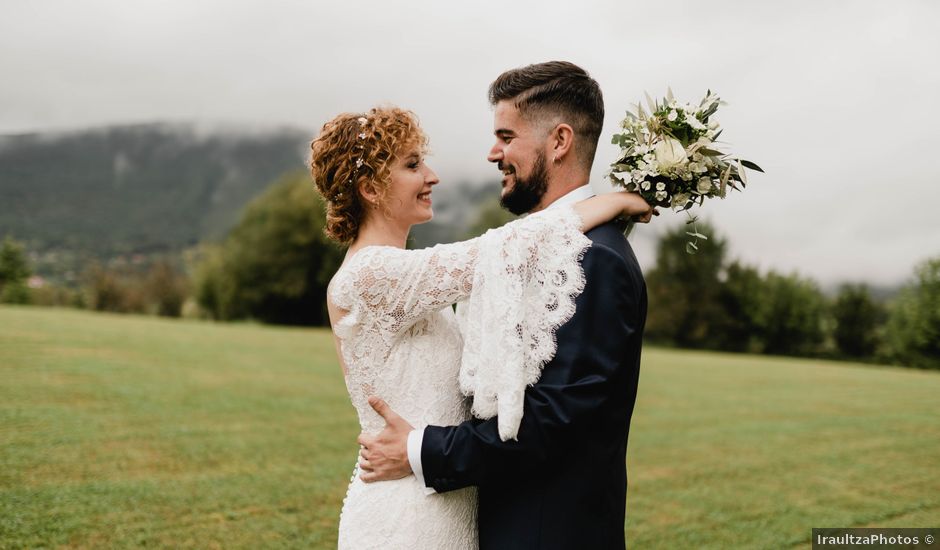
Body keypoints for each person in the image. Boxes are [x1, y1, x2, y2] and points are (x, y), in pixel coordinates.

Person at [310, 102, 653, 549]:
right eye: (413, 165)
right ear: (370, 190)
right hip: (407, 514)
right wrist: (611, 201)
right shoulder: (369, 276)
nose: (432, 176)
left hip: (446, 500)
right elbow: (500, 253)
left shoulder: (409, 281)